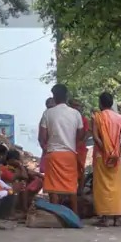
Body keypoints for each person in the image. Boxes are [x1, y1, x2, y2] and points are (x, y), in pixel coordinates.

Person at [39, 84, 85, 214]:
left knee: (53, 188)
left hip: (53, 153)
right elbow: (81, 134)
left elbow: (42, 136)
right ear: (67, 96)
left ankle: (55, 215)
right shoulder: (75, 114)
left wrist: (46, 147)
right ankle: (74, 215)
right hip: (70, 154)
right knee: (71, 187)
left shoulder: (48, 113)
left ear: (54, 97)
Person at [92, 92, 121, 227]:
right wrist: (118, 152)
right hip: (116, 157)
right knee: (116, 186)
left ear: (101, 103)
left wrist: (105, 150)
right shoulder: (120, 118)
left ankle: (105, 218)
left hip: (102, 156)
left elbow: (96, 137)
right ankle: (116, 218)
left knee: (102, 186)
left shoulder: (97, 117)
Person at [2, 150, 43, 215]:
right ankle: (23, 209)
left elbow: (34, 174)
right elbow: (24, 176)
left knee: (36, 180)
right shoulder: (5, 168)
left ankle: (25, 207)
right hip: (7, 194)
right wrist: (20, 166)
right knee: (22, 183)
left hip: (15, 194)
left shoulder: (18, 168)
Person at [70, 99, 90, 195]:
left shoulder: (84, 120)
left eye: (78, 106)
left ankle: (80, 191)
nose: (77, 108)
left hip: (80, 149)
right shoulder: (67, 119)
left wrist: (79, 144)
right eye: (75, 105)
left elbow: (86, 135)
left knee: (80, 170)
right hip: (69, 149)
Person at [39, 97, 56, 174]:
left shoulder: (49, 116)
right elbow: (41, 136)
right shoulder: (46, 116)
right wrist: (44, 146)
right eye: (49, 107)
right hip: (49, 148)